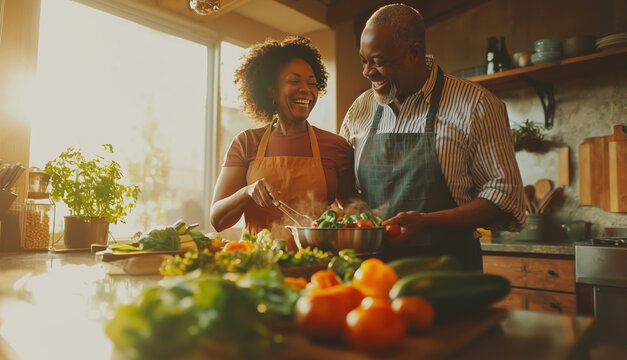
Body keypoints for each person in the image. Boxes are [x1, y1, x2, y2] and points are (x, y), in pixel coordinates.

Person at [339, 4, 525, 270]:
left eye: (378, 61)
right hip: (372, 272)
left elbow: (504, 196)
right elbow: (347, 189)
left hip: (450, 273)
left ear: (414, 53)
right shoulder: (361, 108)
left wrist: (426, 221)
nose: (367, 72)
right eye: (364, 61)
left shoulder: (477, 104)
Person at [210, 36, 355, 245]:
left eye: (312, 83)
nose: (306, 89)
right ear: (271, 90)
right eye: (294, 81)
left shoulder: (336, 146)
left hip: (315, 263)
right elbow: (217, 220)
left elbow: (353, 214)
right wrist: (247, 192)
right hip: (256, 264)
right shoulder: (246, 143)